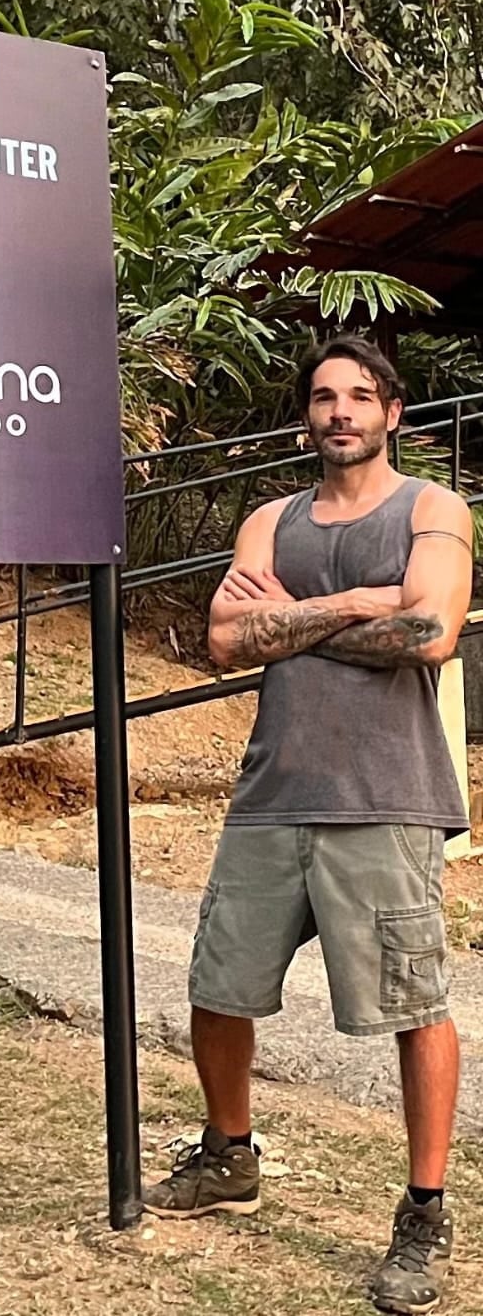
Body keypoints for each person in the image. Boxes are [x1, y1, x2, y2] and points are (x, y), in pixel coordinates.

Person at [142, 334, 475, 1316]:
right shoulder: (268, 520)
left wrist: (300, 618)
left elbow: (431, 632)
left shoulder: (433, 509)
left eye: (360, 396)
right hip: (271, 794)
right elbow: (223, 636)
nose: (340, 411)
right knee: (218, 985)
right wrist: (362, 601)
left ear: (392, 414)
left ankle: (422, 1211)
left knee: (413, 1008)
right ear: (307, 416)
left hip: (386, 797)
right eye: (324, 396)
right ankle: (227, 1154)